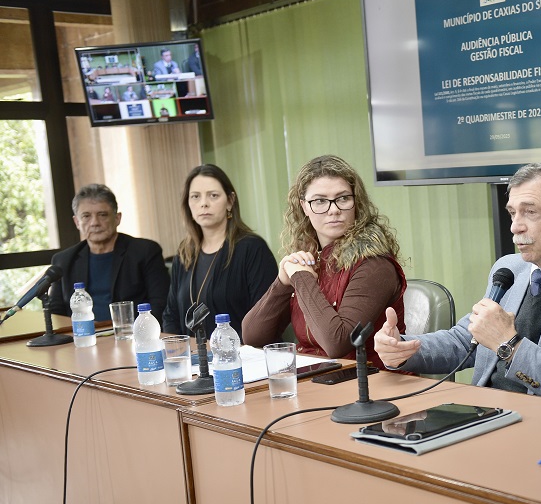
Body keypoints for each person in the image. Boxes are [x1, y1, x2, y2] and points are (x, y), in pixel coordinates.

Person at [374, 162, 541, 404]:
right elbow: (465, 341)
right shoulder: (509, 268)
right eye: (513, 213)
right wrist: (404, 348)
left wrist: (509, 344)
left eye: (530, 213)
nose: (515, 226)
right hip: (485, 412)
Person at [242, 155, 407, 368]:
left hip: (369, 383)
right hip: (315, 378)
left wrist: (301, 278)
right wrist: (282, 283)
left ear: (356, 202)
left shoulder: (374, 263)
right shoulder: (309, 257)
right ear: (304, 206)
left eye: (343, 198)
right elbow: (252, 336)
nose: (333, 209)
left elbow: (338, 343)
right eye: (320, 201)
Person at [163, 164, 278, 338]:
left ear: (230, 201)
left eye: (213, 195)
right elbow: (170, 315)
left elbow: (267, 318)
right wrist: (177, 354)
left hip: (245, 356)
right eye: (195, 197)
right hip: (194, 359)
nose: (203, 204)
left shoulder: (252, 248)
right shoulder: (184, 253)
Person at [50, 184, 169, 322]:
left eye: (102, 215)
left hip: (130, 336)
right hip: (82, 337)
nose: (95, 223)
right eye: (86, 216)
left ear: (117, 218)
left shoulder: (145, 251)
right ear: (77, 222)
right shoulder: (63, 260)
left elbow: (160, 304)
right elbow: (56, 313)